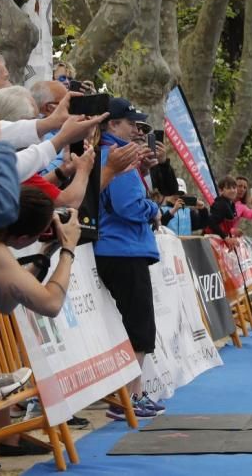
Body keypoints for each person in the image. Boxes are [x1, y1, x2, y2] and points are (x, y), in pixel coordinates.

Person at [95, 97, 166, 420]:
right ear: (112, 125)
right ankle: (127, 398)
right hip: (123, 249)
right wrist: (154, 210)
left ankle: (132, 395)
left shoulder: (114, 155)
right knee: (139, 327)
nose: (138, 130)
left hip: (119, 248)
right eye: (131, 124)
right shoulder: (117, 157)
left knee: (134, 327)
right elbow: (128, 207)